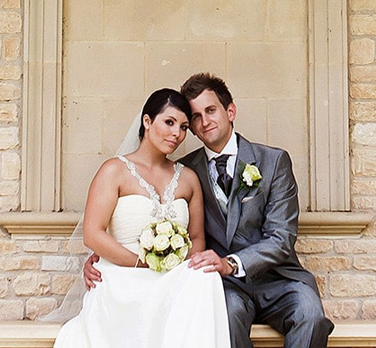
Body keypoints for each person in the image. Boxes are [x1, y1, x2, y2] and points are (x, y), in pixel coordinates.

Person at [85, 73, 334, 348]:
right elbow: (146, 215)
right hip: (223, 287)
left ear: (230, 111)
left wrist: (230, 264)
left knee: (310, 316)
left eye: (211, 110)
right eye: (195, 117)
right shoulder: (185, 171)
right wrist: (102, 257)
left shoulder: (273, 162)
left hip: (280, 279)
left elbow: (281, 238)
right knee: (224, 319)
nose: (205, 121)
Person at [54, 88, 230, 348]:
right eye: (168, 122)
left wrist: (172, 266)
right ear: (147, 122)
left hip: (172, 277)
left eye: (183, 127)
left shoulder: (189, 178)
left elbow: (196, 239)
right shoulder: (114, 171)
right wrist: (143, 264)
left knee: (205, 277)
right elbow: (93, 233)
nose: (176, 134)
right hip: (122, 276)